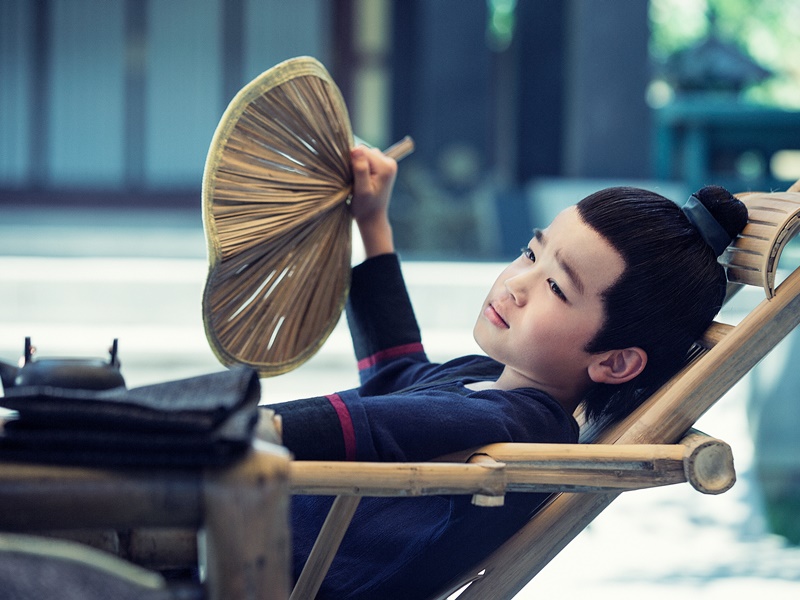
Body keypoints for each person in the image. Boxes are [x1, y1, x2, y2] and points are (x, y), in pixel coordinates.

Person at [264, 146, 748, 599]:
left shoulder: (525, 427)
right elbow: (397, 377)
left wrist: (242, 424)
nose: (517, 283)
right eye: (531, 253)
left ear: (614, 362)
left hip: (260, 563)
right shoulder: (488, 379)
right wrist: (372, 224)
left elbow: (371, 425)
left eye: (556, 288)